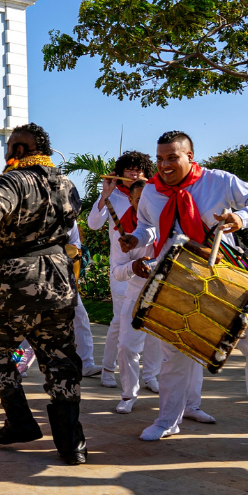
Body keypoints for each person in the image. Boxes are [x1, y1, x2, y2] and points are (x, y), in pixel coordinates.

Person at [121, 130, 248, 458]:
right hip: (175, 279)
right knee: (174, 353)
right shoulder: (151, 192)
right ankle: (168, 420)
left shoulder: (219, 181)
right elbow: (150, 225)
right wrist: (136, 239)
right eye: (160, 159)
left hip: (226, 276)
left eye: (172, 157)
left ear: (190, 156)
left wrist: (241, 217)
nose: (164, 165)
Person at [0, 123, 88, 465]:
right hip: (58, 276)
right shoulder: (67, 184)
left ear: (21, 150)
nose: (7, 153)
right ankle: (72, 445)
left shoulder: (14, 179)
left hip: (16, 279)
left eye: (10, 147)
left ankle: (20, 421)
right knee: (61, 358)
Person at [86, 151, 162, 390]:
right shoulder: (115, 198)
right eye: (129, 169)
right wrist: (105, 194)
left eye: (139, 169)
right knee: (120, 322)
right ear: (119, 173)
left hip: (152, 266)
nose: (134, 173)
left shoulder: (154, 195)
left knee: (152, 323)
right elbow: (93, 224)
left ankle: (150, 375)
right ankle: (108, 369)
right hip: (122, 266)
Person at [67, 222, 101, 378]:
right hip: (37, 274)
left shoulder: (69, 216)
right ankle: (20, 366)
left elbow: (76, 244)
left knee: (80, 317)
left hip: (65, 277)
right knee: (31, 319)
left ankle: (86, 364)